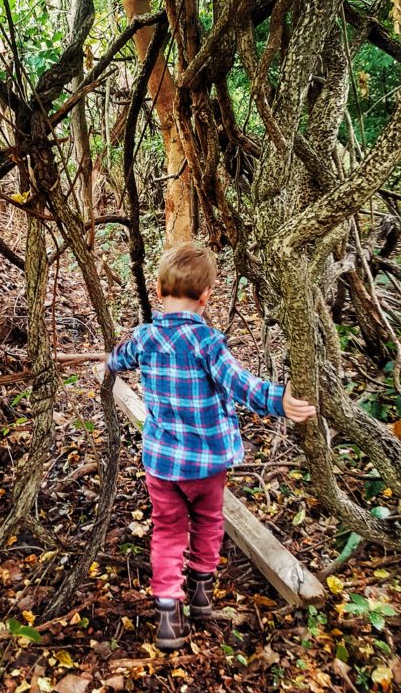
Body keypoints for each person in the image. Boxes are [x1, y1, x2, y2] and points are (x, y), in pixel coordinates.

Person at [106, 242, 317, 651]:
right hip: (206, 464)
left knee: (167, 532)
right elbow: (242, 385)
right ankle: (201, 594)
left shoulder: (145, 337)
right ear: (206, 297)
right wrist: (280, 401)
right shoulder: (208, 343)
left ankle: (169, 615)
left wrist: (107, 363)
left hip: (162, 464)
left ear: (158, 290)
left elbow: (120, 358)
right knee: (208, 523)